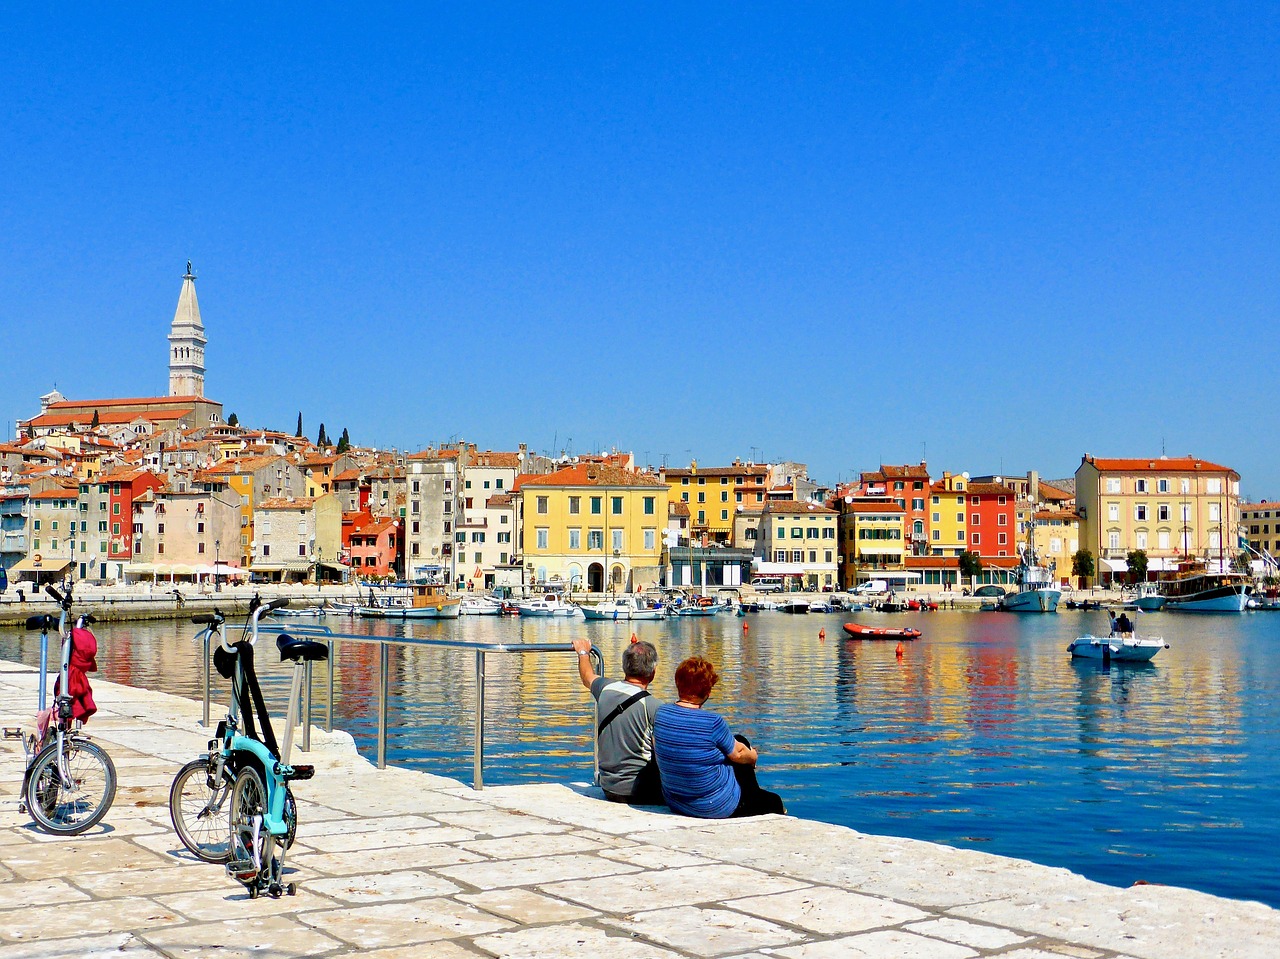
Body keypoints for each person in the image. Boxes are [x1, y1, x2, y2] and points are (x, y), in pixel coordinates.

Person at [653, 655, 785, 819]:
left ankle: (753, 794)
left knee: (736, 740)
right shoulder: (712, 722)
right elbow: (738, 755)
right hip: (713, 806)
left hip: (676, 801)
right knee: (774, 801)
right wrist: (753, 756)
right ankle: (754, 796)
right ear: (707, 692)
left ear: (678, 684)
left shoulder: (661, 714)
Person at [571, 637, 663, 804]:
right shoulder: (655, 707)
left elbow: (587, 676)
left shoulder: (605, 689)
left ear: (624, 666)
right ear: (653, 672)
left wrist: (583, 652)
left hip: (609, 788)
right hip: (642, 791)